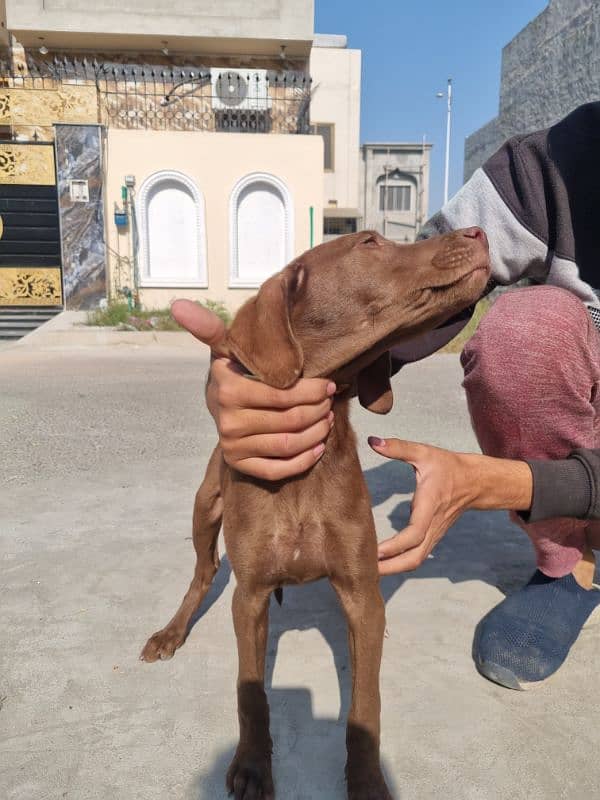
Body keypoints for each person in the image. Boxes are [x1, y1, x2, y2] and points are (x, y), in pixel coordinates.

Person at [172, 102, 600, 691]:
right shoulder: (559, 161)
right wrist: (250, 373)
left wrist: (501, 482)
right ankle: (569, 561)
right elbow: (419, 282)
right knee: (526, 331)